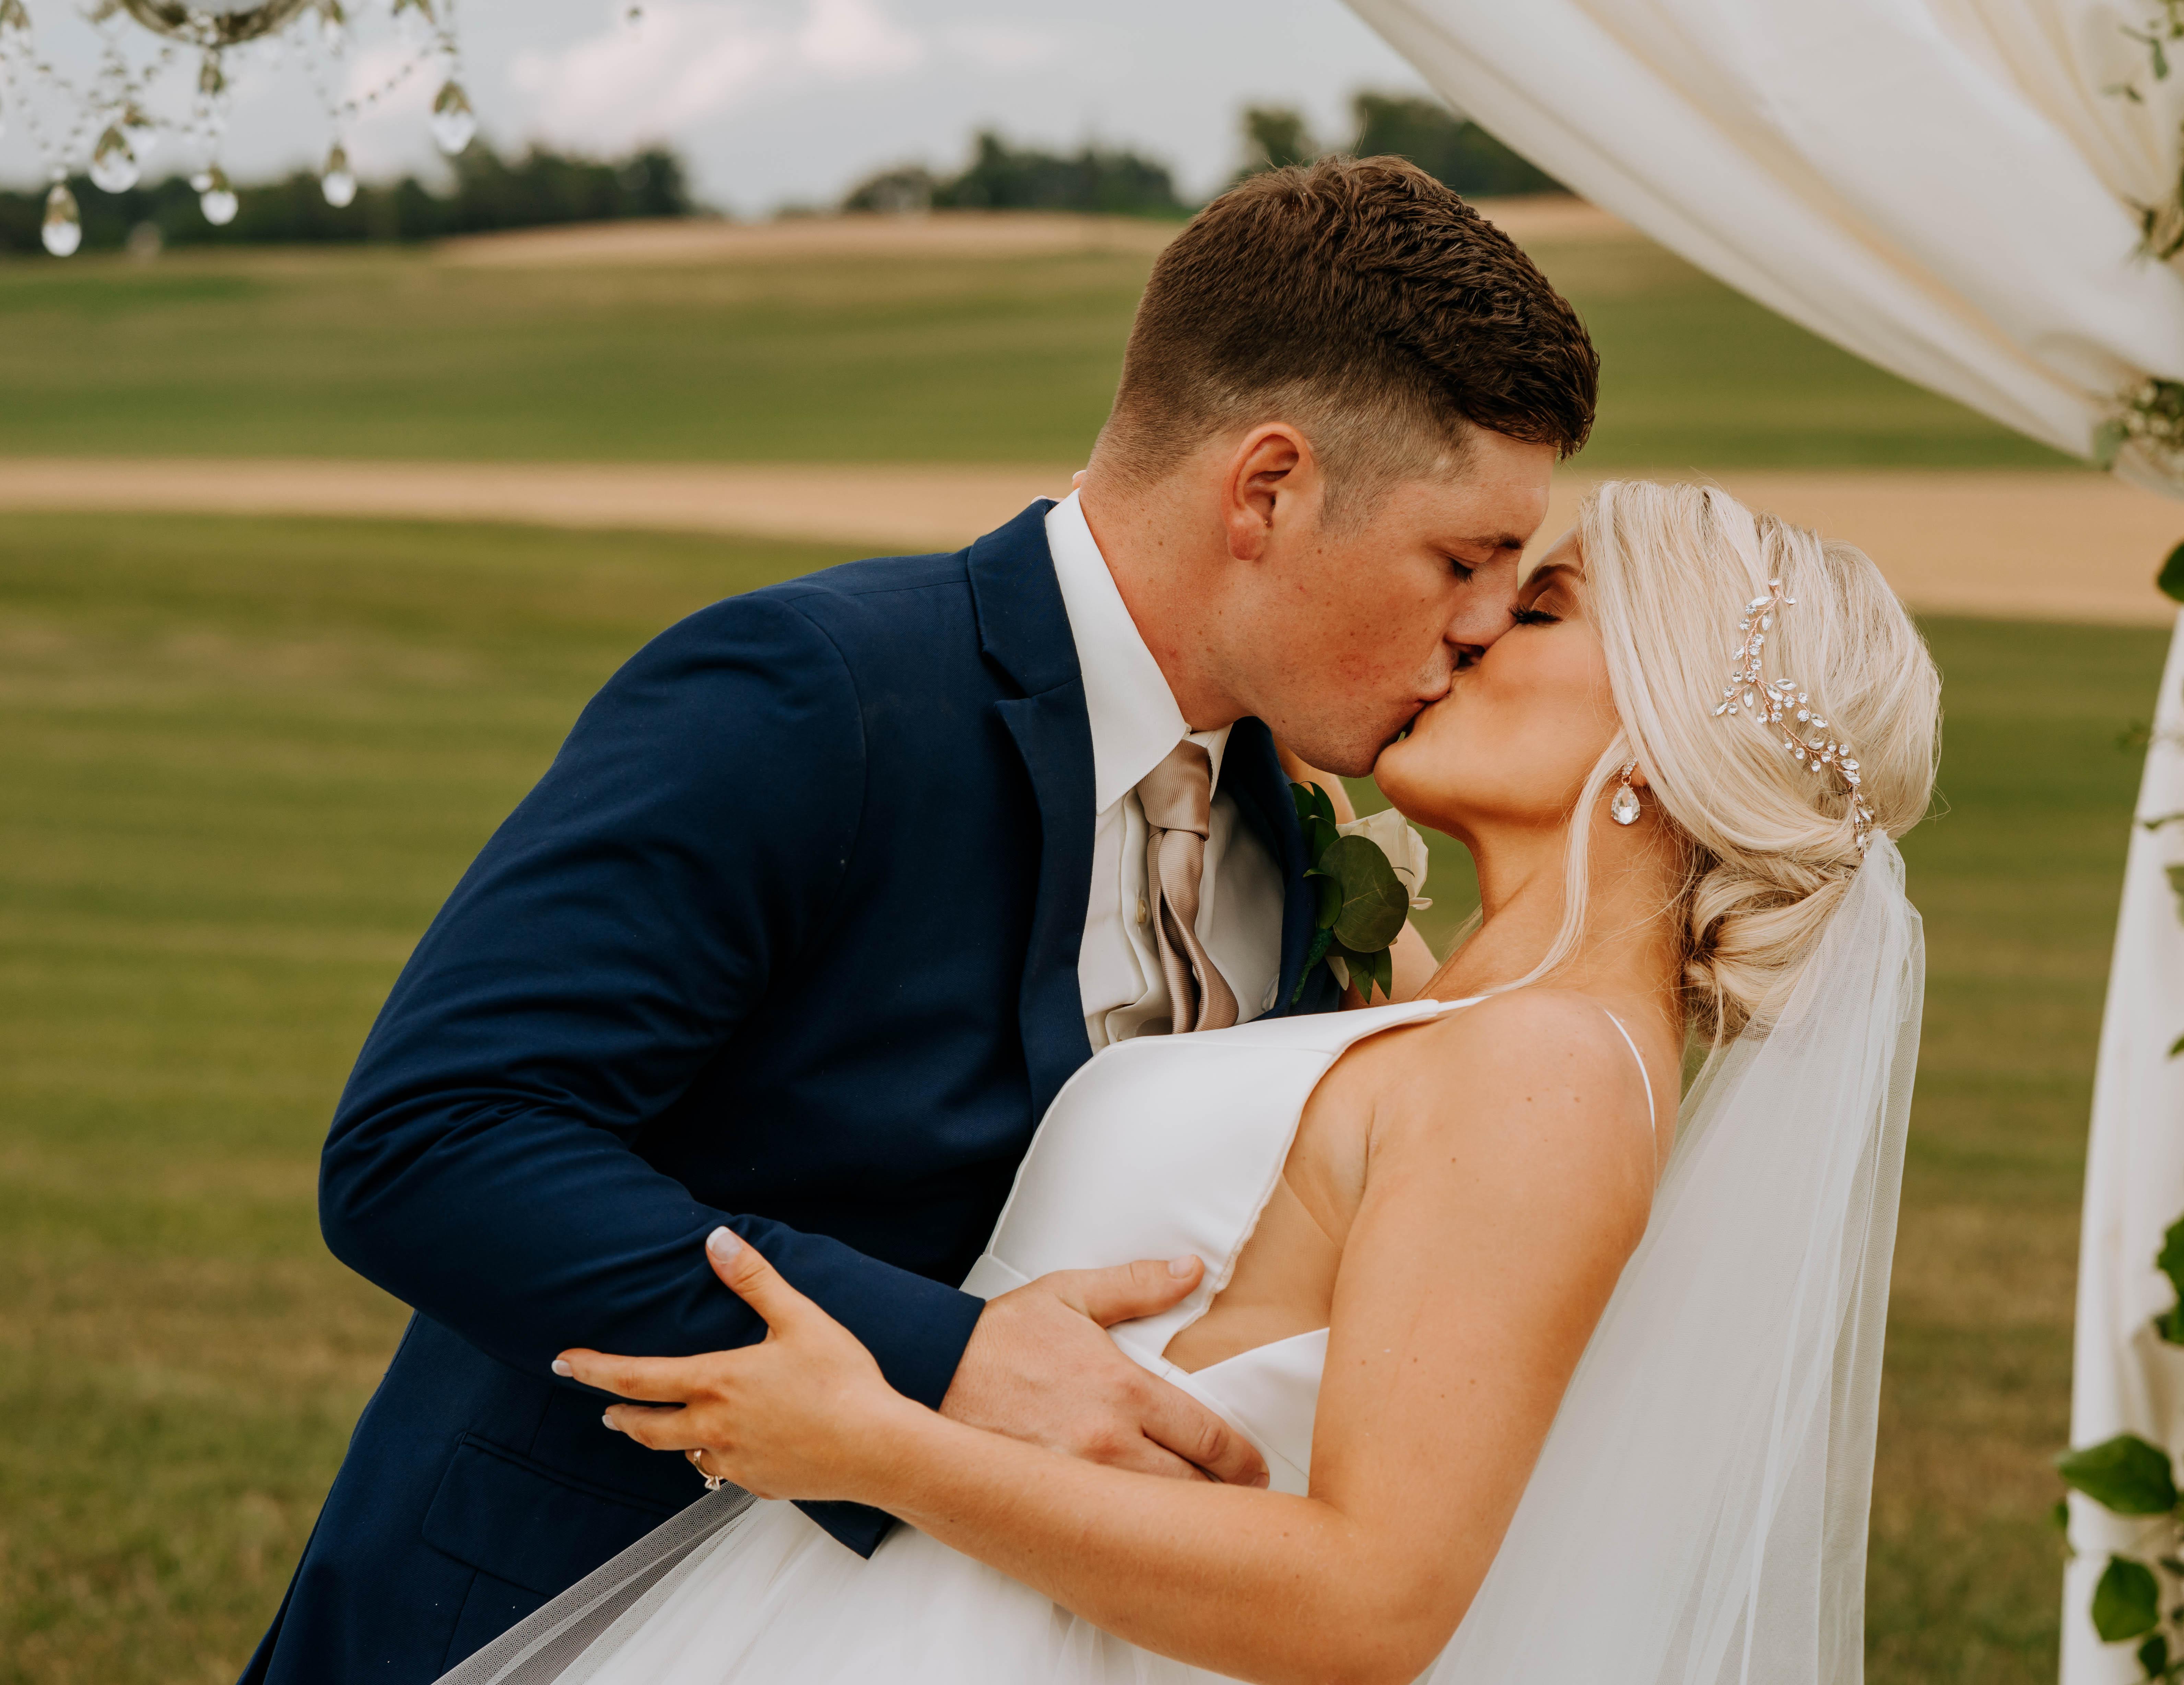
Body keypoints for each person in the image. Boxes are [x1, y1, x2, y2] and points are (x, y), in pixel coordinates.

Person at [237, 156, 1599, 1684]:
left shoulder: (1292, 830)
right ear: (1267, 490)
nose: (1485, 622)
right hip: (553, 1613)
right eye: (1463, 559)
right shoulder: (815, 695)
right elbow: (431, 1142)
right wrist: (948, 1363)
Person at [436, 480, 1942, 1685]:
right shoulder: (1474, 1015)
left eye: (1541, 606)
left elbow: (1374, 1603)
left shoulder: (1555, 1073)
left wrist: (879, 1444)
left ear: (1666, 735)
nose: (1477, 628)